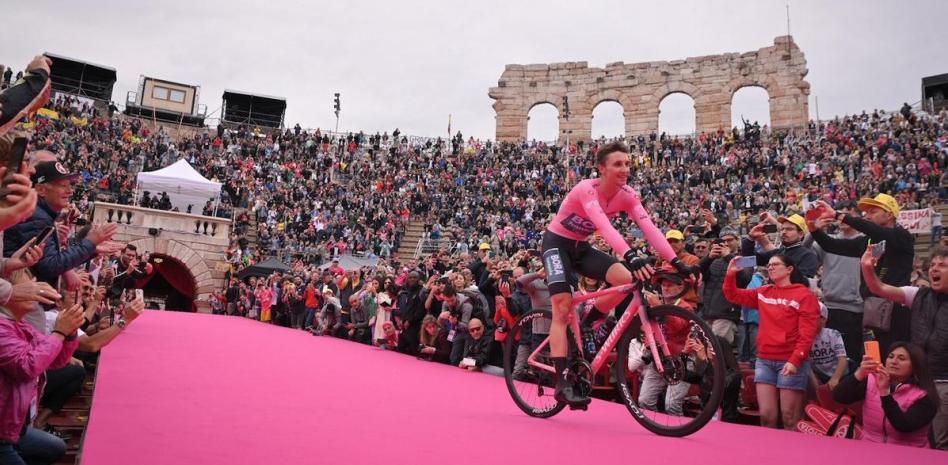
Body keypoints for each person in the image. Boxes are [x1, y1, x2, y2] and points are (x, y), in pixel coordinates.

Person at [540, 142, 684, 407]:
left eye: (628, 164)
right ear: (602, 168)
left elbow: (649, 228)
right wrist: (630, 255)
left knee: (628, 281)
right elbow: (604, 227)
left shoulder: (628, 194)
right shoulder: (587, 188)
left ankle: (589, 322)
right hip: (556, 245)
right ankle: (561, 382)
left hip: (581, 247)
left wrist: (677, 262)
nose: (625, 169)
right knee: (561, 307)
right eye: (618, 164)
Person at [860, 244, 948, 449]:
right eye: (932, 264)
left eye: (942, 265)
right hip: (917, 383)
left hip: (945, 383)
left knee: (941, 443)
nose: (934, 269)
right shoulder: (917, 295)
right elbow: (878, 288)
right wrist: (867, 267)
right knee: (912, 439)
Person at [722, 254, 820, 430]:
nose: (770, 267)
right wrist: (730, 275)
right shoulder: (764, 292)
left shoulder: (804, 295)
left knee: (790, 418)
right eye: (769, 265)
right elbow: (732, 295)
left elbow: (808, 333)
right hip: (765, 360)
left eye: (775, 264)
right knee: (767, 417)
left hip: (790, 361)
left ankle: (793, 455)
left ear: (789, 269)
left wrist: (795, 360)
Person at [811, 194, 914, 354]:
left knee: (894, 353)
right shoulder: (867, 242)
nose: (868, 216)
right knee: (872, 355)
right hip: (872, 307)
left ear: (889, 214)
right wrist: (813, 229)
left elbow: (875, 230)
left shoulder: (902, 236)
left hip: (896, 309)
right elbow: (832, 245)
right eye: (867, 213)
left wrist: (838, 215)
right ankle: (872, 379)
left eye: (873, 211)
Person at [0, 269, 83, 465]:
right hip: (2, 432)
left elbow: (56, 360)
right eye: (30, 287)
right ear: (8, 292)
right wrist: (59, 333)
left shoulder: (22, 326)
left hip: (16, 427)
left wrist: (69, 333)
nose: (37, 291)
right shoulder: (2, 328)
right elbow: (27, 367)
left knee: (55, 448)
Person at [833, 343, 938, 447]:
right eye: (891, 357)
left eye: (901, 359)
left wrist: (885, 393)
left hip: (908, 452)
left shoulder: (923, 395)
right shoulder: (871, 381)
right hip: (869, 447)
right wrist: (860, 373)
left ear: (915, 365)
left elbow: (904, 426)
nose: (894, 361)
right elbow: (839, 396)